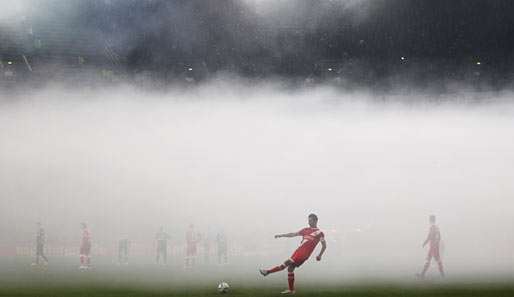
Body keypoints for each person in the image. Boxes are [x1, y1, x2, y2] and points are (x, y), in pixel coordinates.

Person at [260, 214, 327, 294]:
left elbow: (324, 245)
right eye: (308, 220)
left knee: (286, 263)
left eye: (310, 220)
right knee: (290, 268)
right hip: (298, 251)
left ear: (316, 221)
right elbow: (293, 234)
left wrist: (320, 255)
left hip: (303, 254)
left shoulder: (319, 233)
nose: (309, 222)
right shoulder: (305, 229)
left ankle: (267, 272)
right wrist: (281, 235)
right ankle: (291, 290)